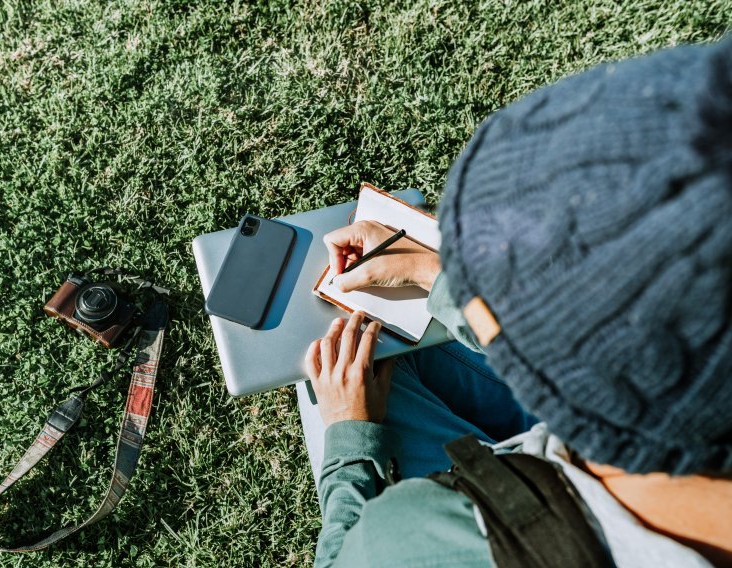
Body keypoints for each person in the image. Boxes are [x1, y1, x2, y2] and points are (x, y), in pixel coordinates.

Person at [304, 38, 732, 567]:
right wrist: (426, 270)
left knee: (328, 369)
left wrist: (349, 436)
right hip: (574, 458)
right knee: (382, 346)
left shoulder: (413, 538)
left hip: (506, 504)